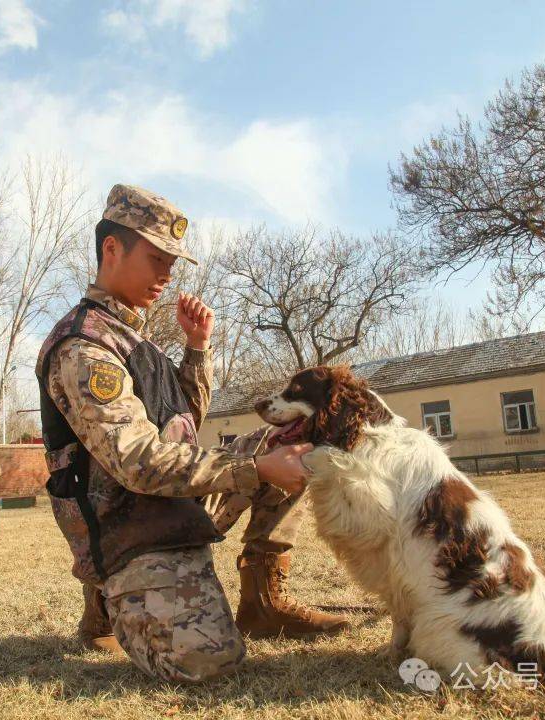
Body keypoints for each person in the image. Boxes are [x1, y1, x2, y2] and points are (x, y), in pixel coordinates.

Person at [36, 184, 348, 683]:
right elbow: (137, 460)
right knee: (208, 662)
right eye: (157, 257)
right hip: (127, 527)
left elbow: (179, 428)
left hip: (164, 507)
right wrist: (251, 469)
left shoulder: (133, 338)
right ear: (111, 249)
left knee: (298, 443)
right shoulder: (83, 347)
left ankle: (262, 601)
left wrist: (197, 349)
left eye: (172, 263)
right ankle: (108, 591)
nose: (167, 274)